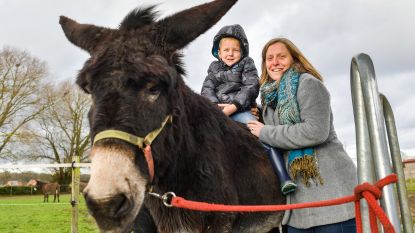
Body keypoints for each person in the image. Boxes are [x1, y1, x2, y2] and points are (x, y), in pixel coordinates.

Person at [247, 38, 358, 232]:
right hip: (297, 211)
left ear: (294, 58)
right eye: (269, 58)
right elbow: (276, 137)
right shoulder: (269, 97)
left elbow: (315, 131)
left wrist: (264, 131)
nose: (275, 62)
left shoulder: (308, 84)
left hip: (332, 202)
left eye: (281, 57)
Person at [201, 25, 296, 195]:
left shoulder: (247, 64)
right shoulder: (213, 68)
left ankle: (283, 177)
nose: (230, 54)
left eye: (235, 50)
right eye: (226, 50)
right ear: (219, 52)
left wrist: (234, 106)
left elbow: (251, 86)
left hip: (240, 109)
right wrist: (215, 107)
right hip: (218, 111)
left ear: (242, 51)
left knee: (263, 137)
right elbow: (207, 89)